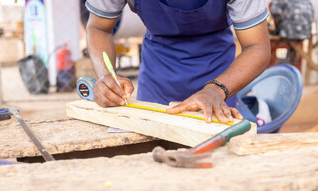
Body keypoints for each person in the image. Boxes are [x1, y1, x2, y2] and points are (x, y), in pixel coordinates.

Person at [85, 0, 271, 124]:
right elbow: (99, 28)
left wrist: (216, 90)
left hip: (220, 74)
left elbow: (257, 47)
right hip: (157, 78)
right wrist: (106, 78)